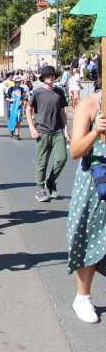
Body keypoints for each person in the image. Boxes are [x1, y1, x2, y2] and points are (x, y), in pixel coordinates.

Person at [67, 75, 106, 323]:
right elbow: (75, 151)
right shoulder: (90, 105)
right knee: (90, 237)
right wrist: (97, 131)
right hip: (96, 183)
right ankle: (83, 297)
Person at [26, 65, 71, 202]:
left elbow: (63, 113)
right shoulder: (37, 93)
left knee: (62, 158)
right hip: (42, 132)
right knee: (42, 163)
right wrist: (32, 129)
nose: (50, 77)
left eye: (52, 75)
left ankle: (50, 181)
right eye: (47, 75)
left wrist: (66, 130)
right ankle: (40, 189)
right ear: (43, 78)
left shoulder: (59, 93)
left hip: (57, 131)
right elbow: (28, 110)